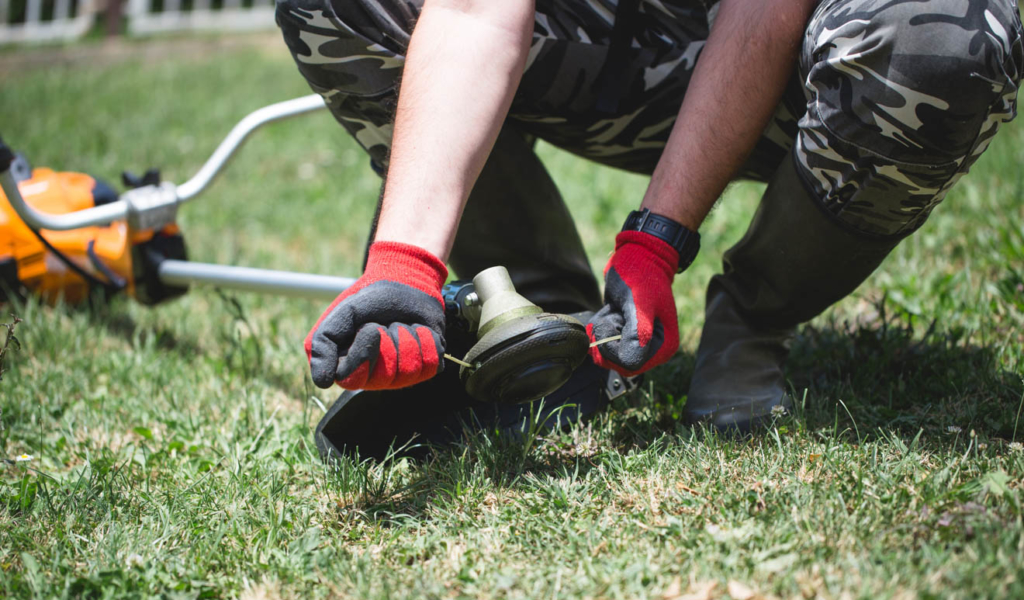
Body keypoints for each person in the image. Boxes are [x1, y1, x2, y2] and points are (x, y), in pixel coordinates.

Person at [277, 0, 1023, 437]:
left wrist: (655, 242)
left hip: (805, 53)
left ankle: (756, 314)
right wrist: (405, 265)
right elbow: (474, 8)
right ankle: (543, 318)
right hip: (624, 42)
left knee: (947, 40)